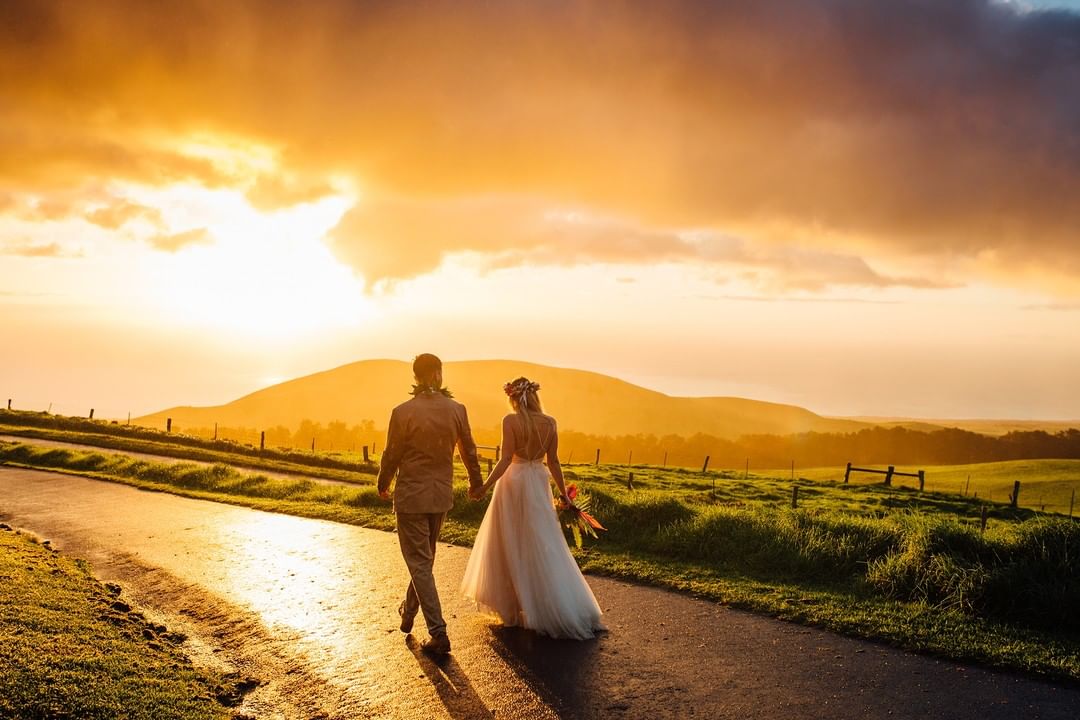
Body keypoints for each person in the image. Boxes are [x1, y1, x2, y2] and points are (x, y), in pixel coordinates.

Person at [460, 376, 606, 640]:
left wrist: (485, 487)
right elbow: (554, 462)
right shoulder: (550, 423)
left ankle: (514, 607)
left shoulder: (510, 421)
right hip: (538, 482)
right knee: (542, 539)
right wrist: (564, 495)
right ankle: (554, 603)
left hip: (513, 482)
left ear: (514, 398)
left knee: (508, 540)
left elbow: (505, 459)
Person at [377, 353, 484, 656]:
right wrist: (475, 483)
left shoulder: (402, 412)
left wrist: (383, 483)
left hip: (411, 496)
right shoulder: (457, 410)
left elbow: (392, 453)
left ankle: (438, 633)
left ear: (416, 376)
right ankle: (408, 612)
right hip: (440, 497)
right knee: (423, 562)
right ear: (437, 374)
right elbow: (469, 451)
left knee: (420, 563)